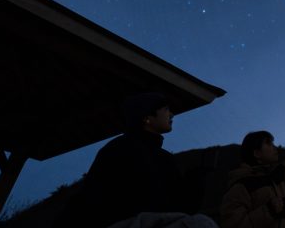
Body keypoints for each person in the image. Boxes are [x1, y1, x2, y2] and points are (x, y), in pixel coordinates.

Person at [54, 92, 217, 228]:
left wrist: (197, 179)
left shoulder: (164, 158)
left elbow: (178, 207)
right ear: (147, 117)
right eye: (166, 109)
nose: (172, 114)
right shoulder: (121, 149)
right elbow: (94, 197)